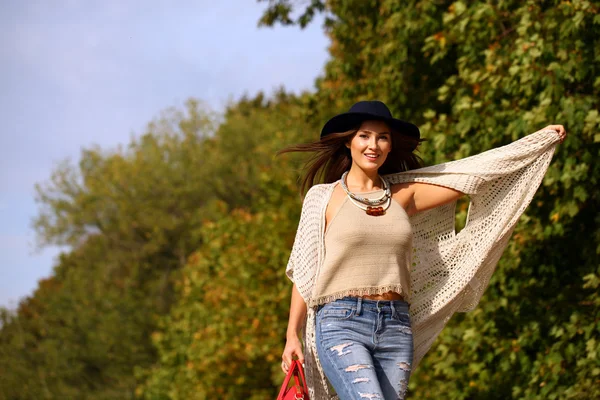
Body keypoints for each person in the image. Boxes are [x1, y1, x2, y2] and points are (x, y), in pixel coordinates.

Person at [278, 100, 566, 400]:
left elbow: (474, 176)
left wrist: (535, 143)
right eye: (364, 135)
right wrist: (291, 335)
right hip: (341, 322)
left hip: (395, 326)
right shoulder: (323, 198)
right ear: (348, 141)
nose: (373, 145)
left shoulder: (405, 196)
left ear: (390, 146)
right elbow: (305, 270)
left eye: (383, 137)